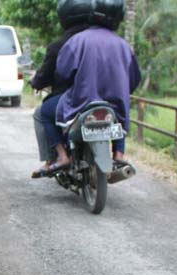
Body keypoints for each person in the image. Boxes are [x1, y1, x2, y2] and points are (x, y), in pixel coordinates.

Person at [32, 20, 141, 179]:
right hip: (114, 100)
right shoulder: (123, 44)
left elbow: (64, 72)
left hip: (83, 99)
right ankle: (119, 154)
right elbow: (135, 77)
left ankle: (62, 156)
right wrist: (121, 90)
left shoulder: (77, 41)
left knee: (46, 111)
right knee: (119, 113)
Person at [29, 20, 89, 175]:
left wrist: (36, 82)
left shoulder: (61, 46)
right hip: (101, 95)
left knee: (42, 113)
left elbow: (51, 75)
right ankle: (119, 154)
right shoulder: (103, 43)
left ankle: (55, 158)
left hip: (70, 97)